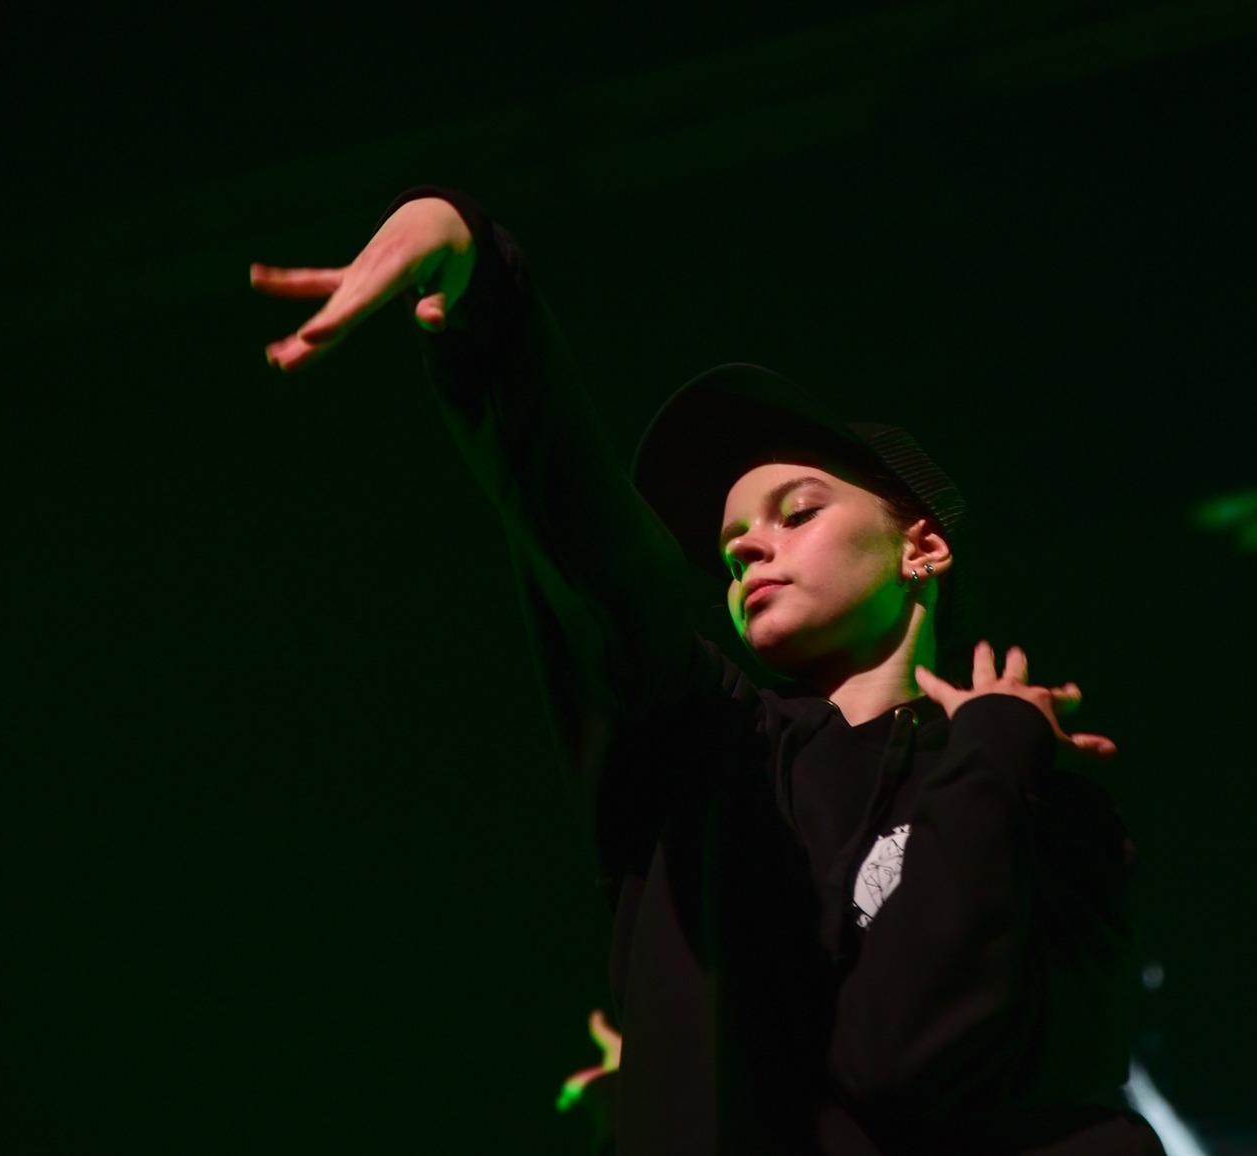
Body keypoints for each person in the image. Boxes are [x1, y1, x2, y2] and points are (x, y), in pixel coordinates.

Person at [252, 188, 1162, 1155]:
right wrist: (488, 297)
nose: (749, 551)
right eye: (730, 551)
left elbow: (913, 1054)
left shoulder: (1042, 789)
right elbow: (600, 556)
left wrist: (993, 753)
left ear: (921, 547)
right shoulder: (716, 756)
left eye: (797, 512)